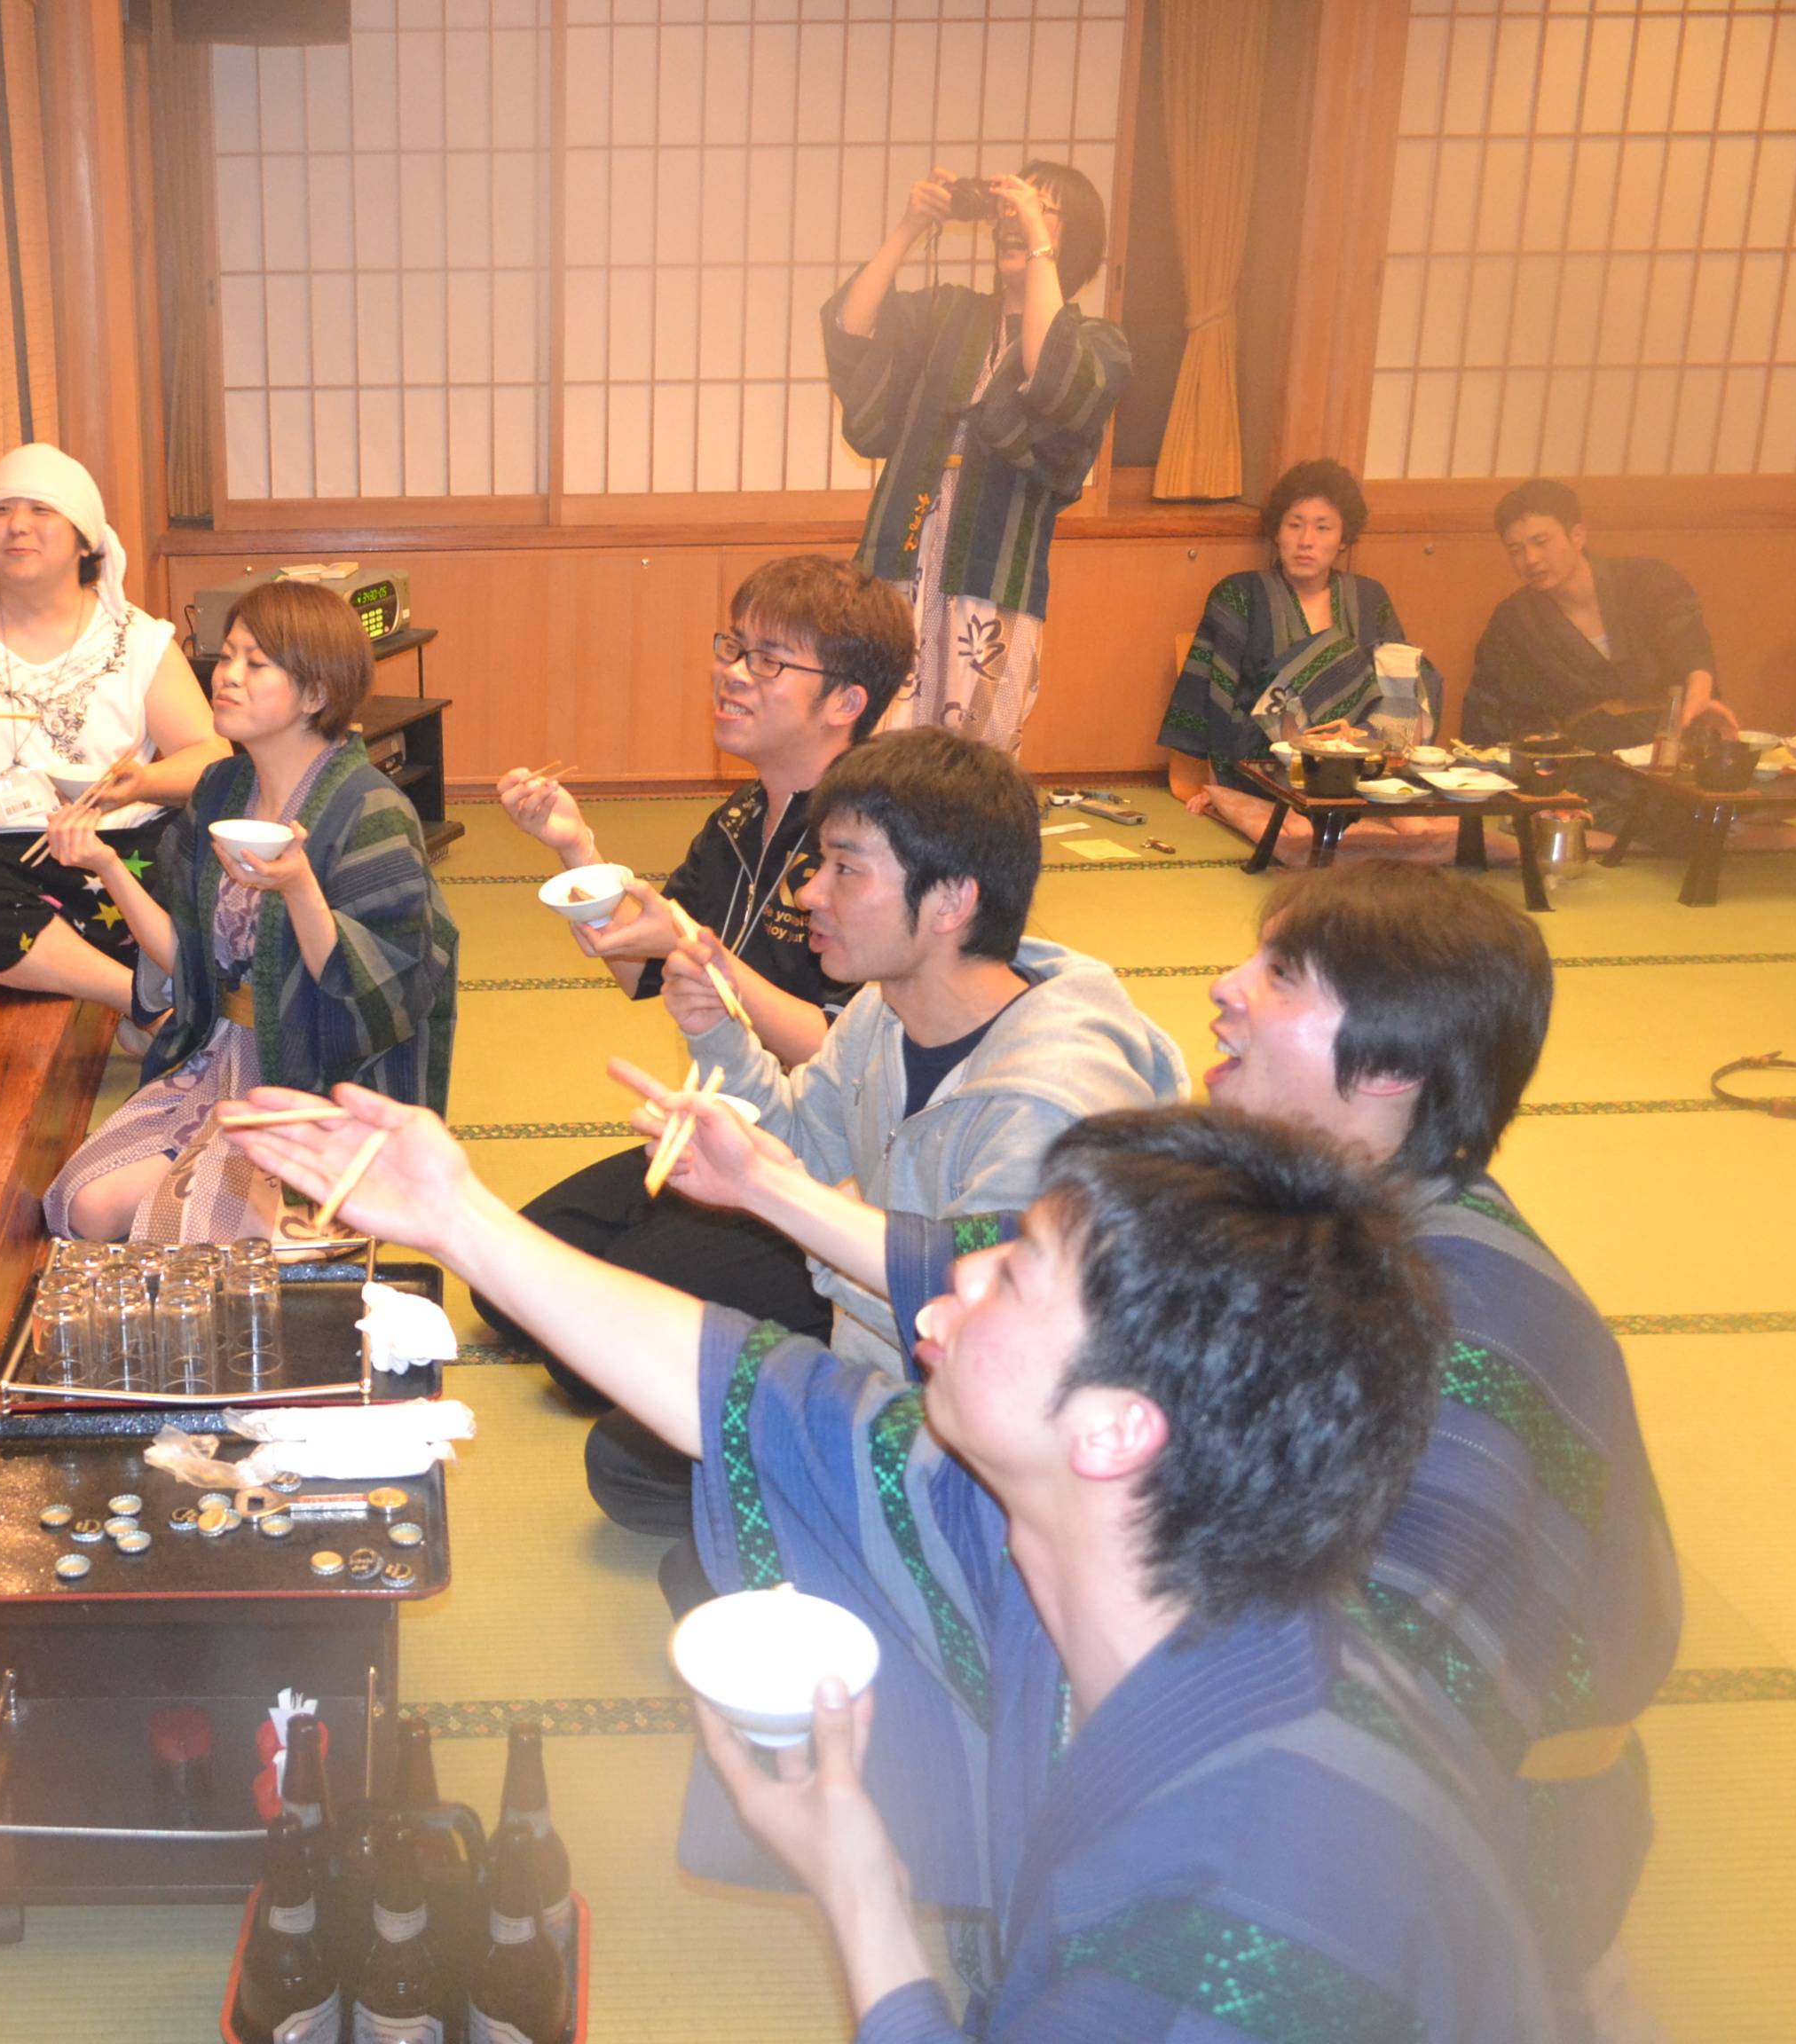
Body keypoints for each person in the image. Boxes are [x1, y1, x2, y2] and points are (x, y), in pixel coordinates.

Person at [228, 1095, 1558, 2042]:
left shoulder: (1262, 1900)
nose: (937, 1298)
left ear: (1116, 1429)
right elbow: (754, 1393)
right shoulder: (1114, 1551)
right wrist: (456, 1218)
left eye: (1009, 1280)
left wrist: (862, 1899)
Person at [1201, 864, 1678, 2026]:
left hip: (1500, 1840)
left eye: (1279, 975)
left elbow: (1393, 1690)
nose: (1224, 989)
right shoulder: (1343, 1201)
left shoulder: (1465, 1318)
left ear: (1391, 1066)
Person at [585, 728, 1185, 1593]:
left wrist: (783, 1204)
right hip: (881, 1370)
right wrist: (717, 1035)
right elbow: (803, 1140)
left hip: (991, 1441)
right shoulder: (884, 1010)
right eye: (818, 864)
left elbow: (970, 1328)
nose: (810, 892)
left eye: (845, 869)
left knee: (703, 1577)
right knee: (625, 1459)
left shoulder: (1044, 1107)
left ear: (951, 902)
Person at [479, 554, 911, 1357]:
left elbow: (855, 1052)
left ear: (845, 702)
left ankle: (835, 1311)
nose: (733, 673)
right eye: (733, 647)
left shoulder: (872, 842)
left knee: (593, 1344)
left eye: (769, 661)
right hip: (721, 1129)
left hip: (821, 1167)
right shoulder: (740, 818)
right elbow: (639, 970)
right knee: (506, 1287)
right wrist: (577, 847)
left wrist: (702, 955)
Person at [41, 578, 454, 1242]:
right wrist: (107, 866)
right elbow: (187, 964)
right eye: (227, 655)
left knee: (180, 1230)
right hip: (219, 1056)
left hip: (315, 1075)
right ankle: (266, 1222)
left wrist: (300, 888)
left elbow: (385, 996)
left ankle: (315, 1215)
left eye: (256, 663)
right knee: (85, 1206)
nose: (226, 676)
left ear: (315, 694)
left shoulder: (371, 810)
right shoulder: (221, 788)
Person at [0, 442, 226, 1015]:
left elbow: (211, 757)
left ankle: (70, 966)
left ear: (85, 540)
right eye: (1, 510)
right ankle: (138, 1000)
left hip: (119, 855)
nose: (17, 526)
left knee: (206, 853)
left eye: (41, 510)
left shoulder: (136, 637)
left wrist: (141, 784)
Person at [826, 164, 1127, 754]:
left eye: (1039, 208)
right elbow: (852, 330)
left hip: (993, 575)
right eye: (1010, 208)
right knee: (875, 742)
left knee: (974, 758)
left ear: (1074, 238)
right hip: (898, 564)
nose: (1014, 218)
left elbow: (1055, 380)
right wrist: (910, 227)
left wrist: (1038, 245)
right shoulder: (947, 313)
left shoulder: (1100, 344)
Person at [1157, 457, 1437, 804]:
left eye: (1323, 528)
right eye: (1294, 525)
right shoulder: (1241, 594)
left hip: (1359, 761)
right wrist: (1216, 788)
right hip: (1267, 763)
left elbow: (1399, 688)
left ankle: (1384, 793)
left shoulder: (1368, 598)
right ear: (1277, 532)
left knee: (1411, 668)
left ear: (1344, 538)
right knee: (1333, 652)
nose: (1306, 541)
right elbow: (1216, 699)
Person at [1466, 478, 1733, 750]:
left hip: (1675, 749)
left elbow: (1690, 646)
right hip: (1584, 763)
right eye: (1516, 550)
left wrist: (1699, 698)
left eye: (1541, 542)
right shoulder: (1514, 622)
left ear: (1577, 536)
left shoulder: (1649, 581)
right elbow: (1499, 711)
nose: (1530, 559)